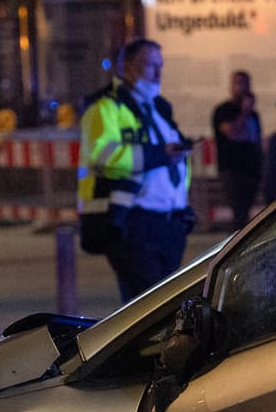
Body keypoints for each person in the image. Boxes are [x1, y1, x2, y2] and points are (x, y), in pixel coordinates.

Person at [77, 37, 194, 302]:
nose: (158, 72)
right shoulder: (105, 107)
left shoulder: (159, 108)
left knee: (159, 306)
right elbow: (102, 156)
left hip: (169, 224)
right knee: (149, 306)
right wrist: (160, 154)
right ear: (127, 67)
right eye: (151, 65)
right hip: (133, 222)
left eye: (160, 65)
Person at [211, 70, 263, 227]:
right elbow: (231, 133)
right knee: (238, 210)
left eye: (246, 84)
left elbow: (256, 140)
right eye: (239, 83)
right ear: (231, 86)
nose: (243, 88)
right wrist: (244, 112)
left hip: (251, 168)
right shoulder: (224, 110)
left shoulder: (254, 114)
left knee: (246, 210)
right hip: (232, 169)